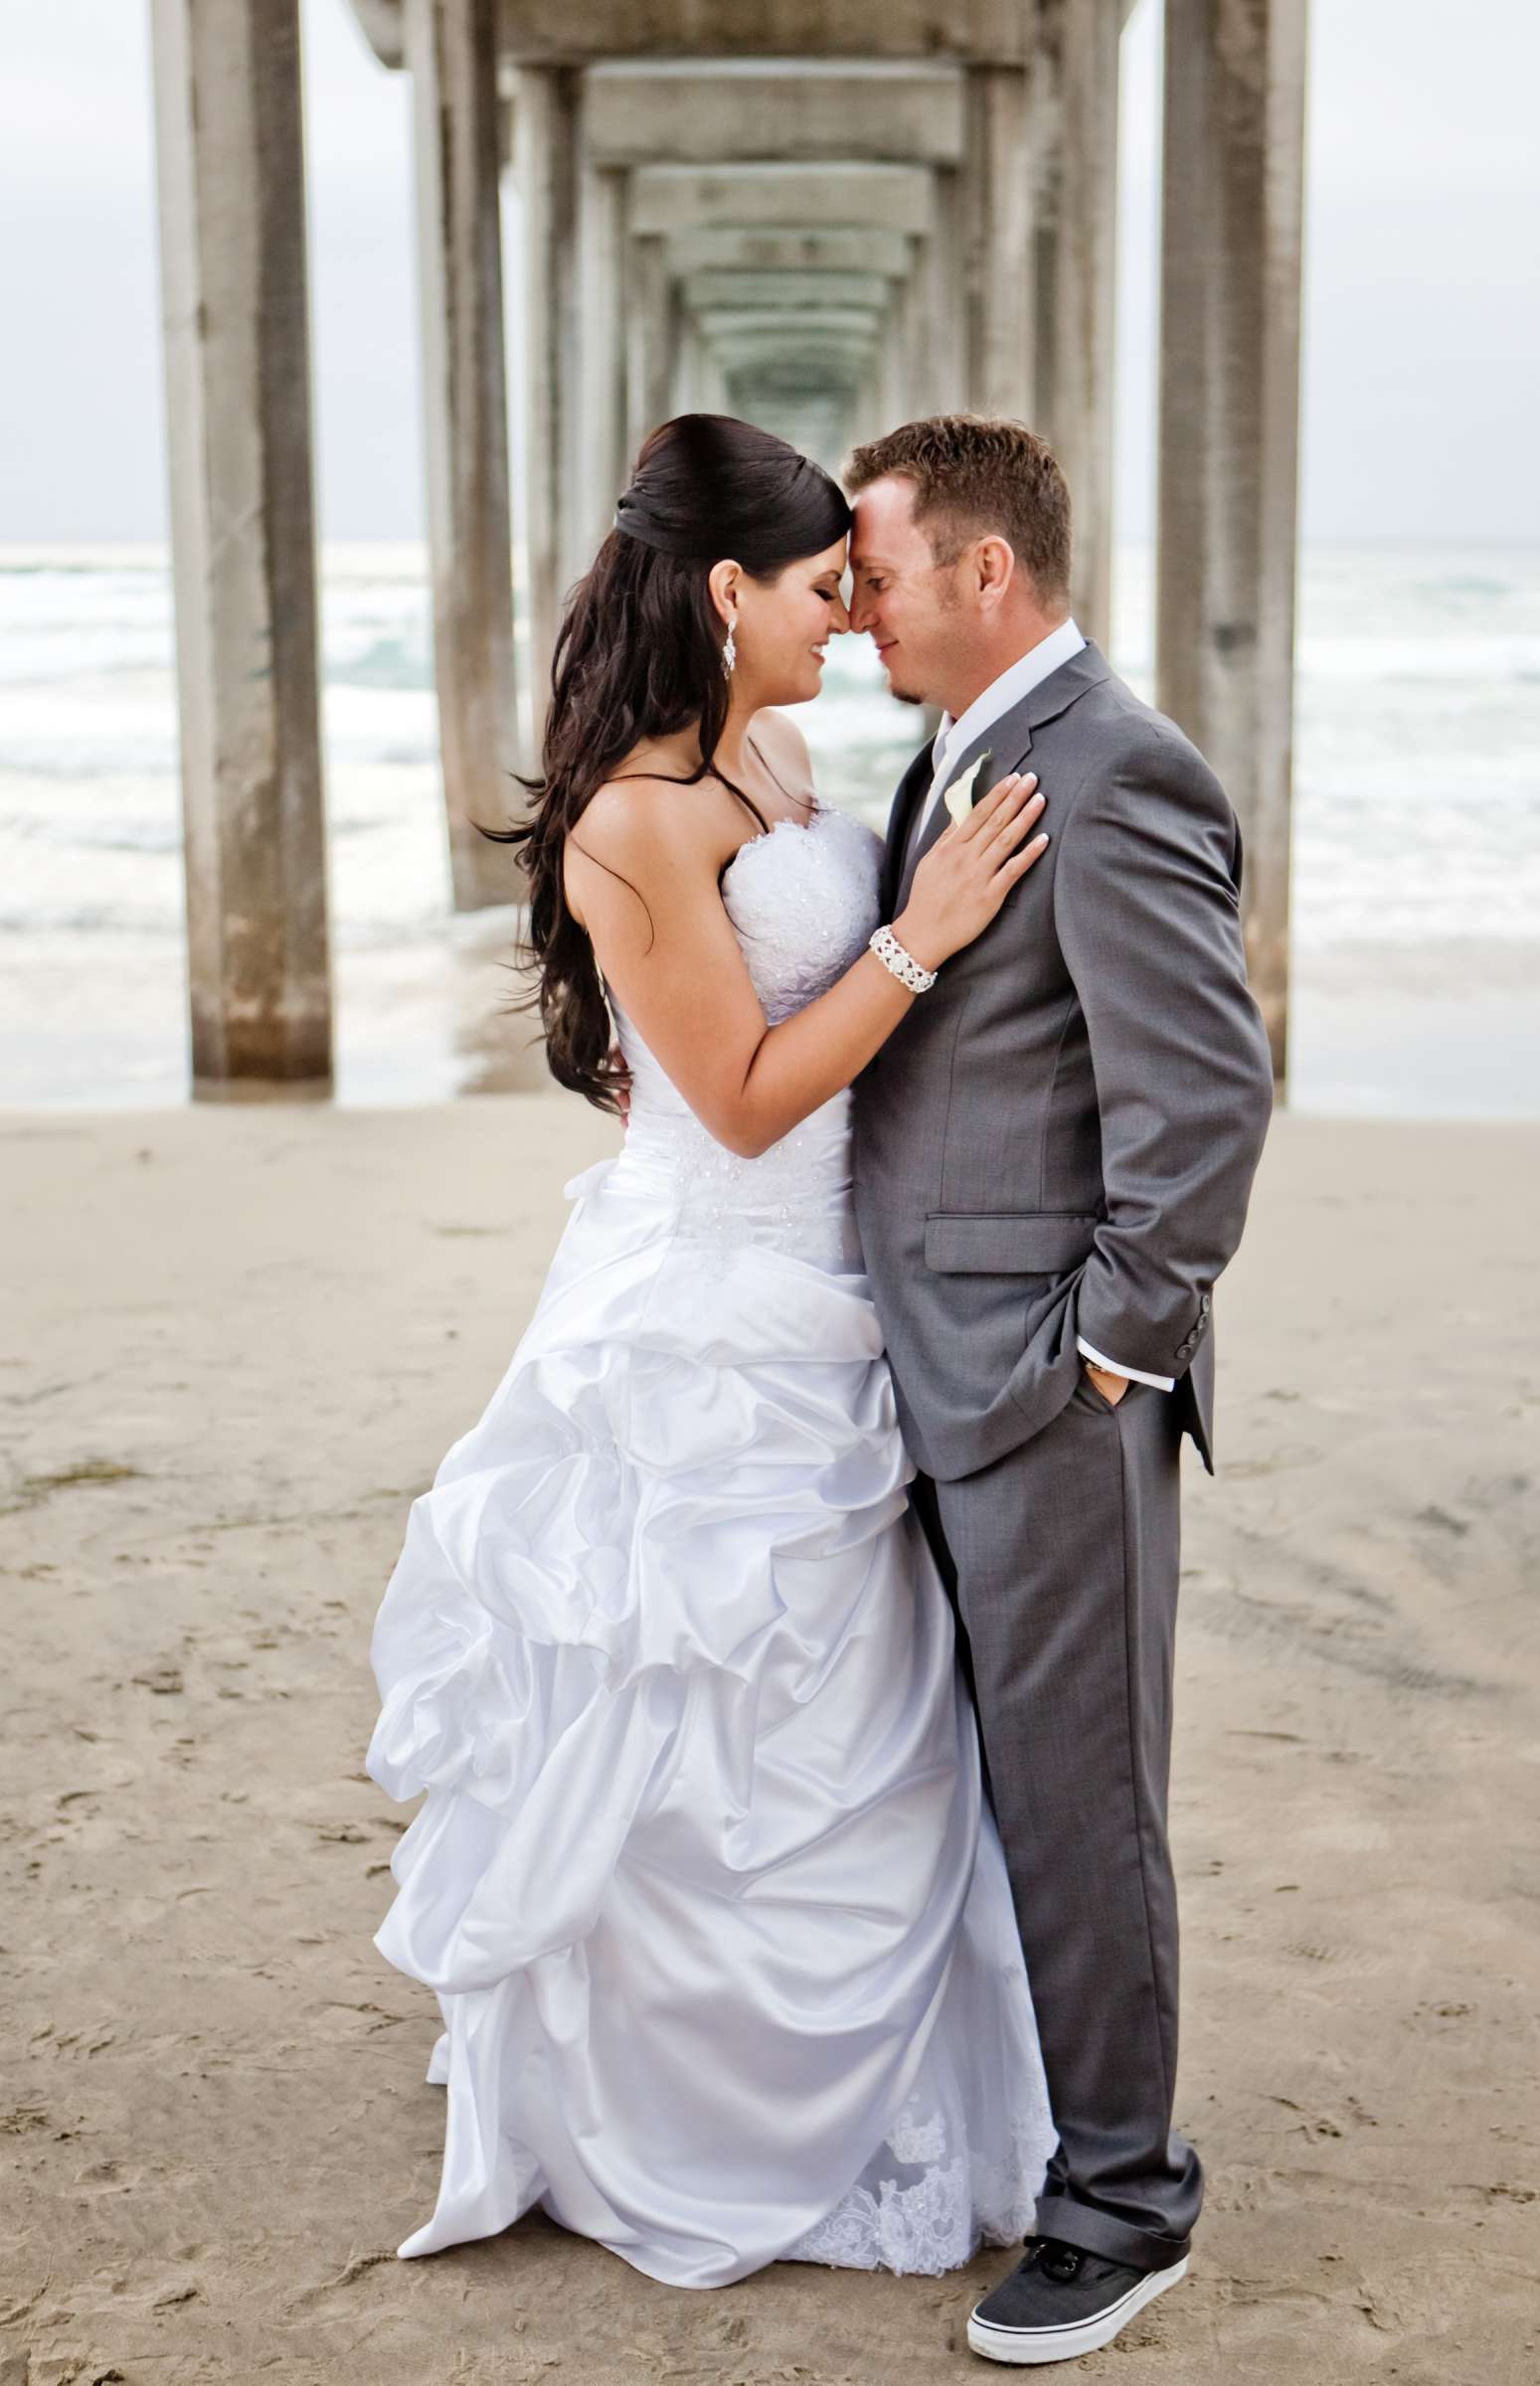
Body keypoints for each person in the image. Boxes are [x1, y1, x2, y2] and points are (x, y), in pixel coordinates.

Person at [363, 414, 1059, 2296]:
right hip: (710, 1315)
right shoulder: (633, 819)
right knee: (695, 1711)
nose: (850, 619)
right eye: (826, 589)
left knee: (876, 1725)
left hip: (837, 1298)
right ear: (724, 587)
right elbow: (742, 1103)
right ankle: (669, 2118)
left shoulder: (780, 751)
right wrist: (916, 944)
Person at [844, 415, 1276, 2364]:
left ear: (982, 574)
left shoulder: (1106, 770)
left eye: (875, 568)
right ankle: (1022, 2137)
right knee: (972, 1791)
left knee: (1078, 1799)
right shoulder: (946, 758)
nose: (852, 603)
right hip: (919, 1373)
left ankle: (1121, 2207)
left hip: (1043, 1398)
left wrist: (1102, 1352)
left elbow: (1205, 1098)